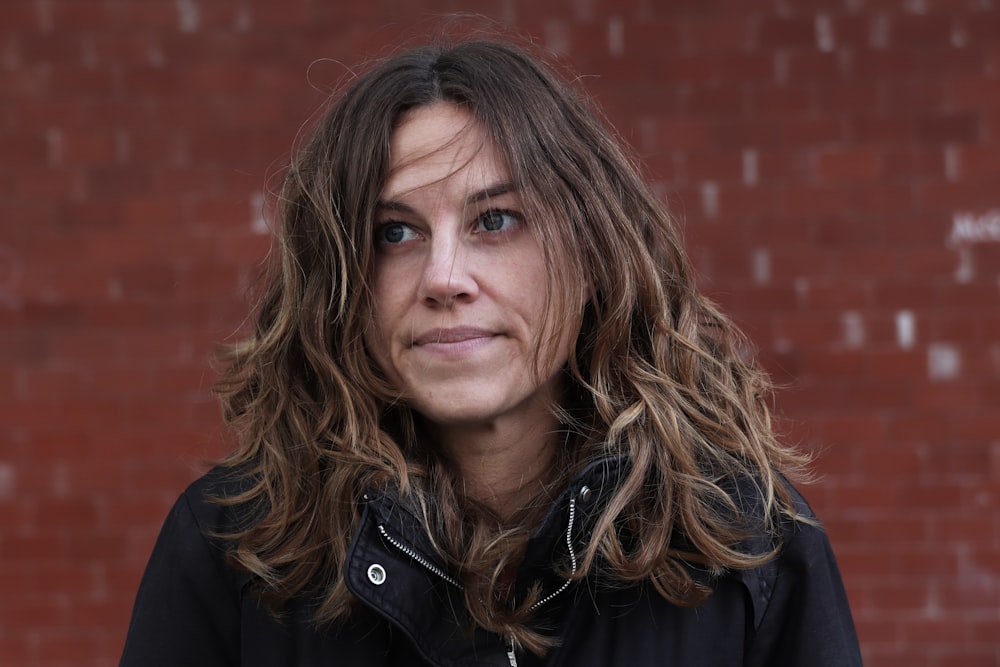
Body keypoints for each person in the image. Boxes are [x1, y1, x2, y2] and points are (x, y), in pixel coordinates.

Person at [120, 36, 863, 667]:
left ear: (592, 249)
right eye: (395, 232)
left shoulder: (746, 547)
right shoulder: (235, 548)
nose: (445, 277)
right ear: (339, 282)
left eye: (496, 220)